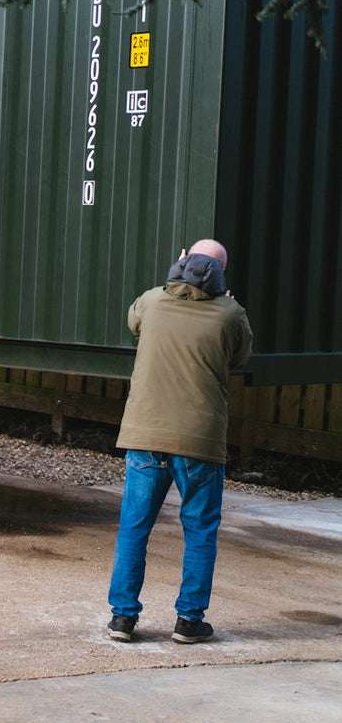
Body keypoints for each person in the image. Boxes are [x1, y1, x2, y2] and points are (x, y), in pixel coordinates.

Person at [106, 238, 253, 644]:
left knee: (134, 528)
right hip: (200, 443)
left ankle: (122, 618)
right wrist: (223, 298)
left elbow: (134, 324)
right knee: (201, 531)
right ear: (222, 271)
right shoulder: (230, 313)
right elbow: (240, 358)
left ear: (183, 259)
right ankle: (189, 621)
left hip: (146, 435)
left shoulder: (152, 301)